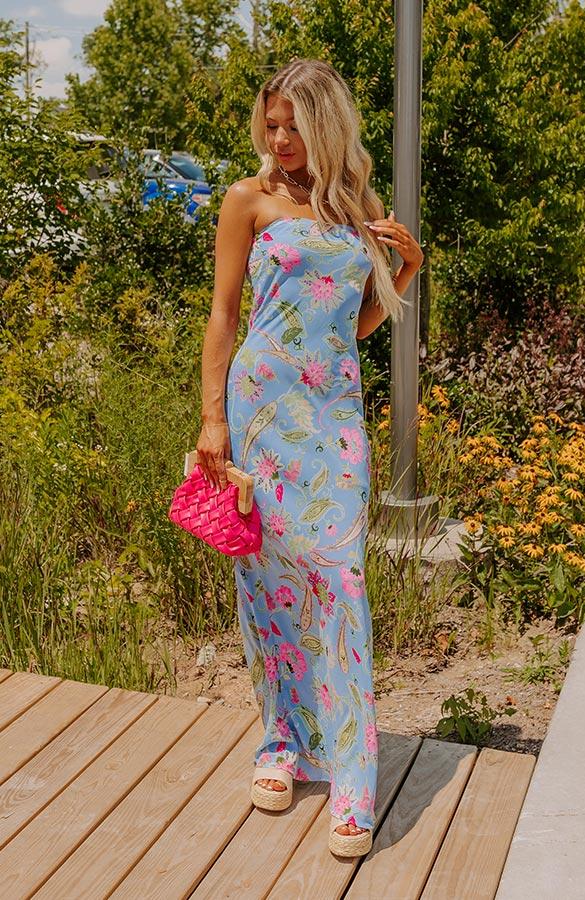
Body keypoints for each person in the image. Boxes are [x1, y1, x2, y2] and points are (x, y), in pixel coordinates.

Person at [196, 57, 423, 857]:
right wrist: (213, 420)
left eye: (294, 125)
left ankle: (354, 775)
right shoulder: (247, 200)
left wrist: (407, 267)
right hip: (260, 412)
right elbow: (225, 314)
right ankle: (283, 745)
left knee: (339, 578)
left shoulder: (358, 205)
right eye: (272, 125)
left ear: (327, 125)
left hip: (333, 417)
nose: (280, 139)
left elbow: (350, 325)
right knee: (268, 585)